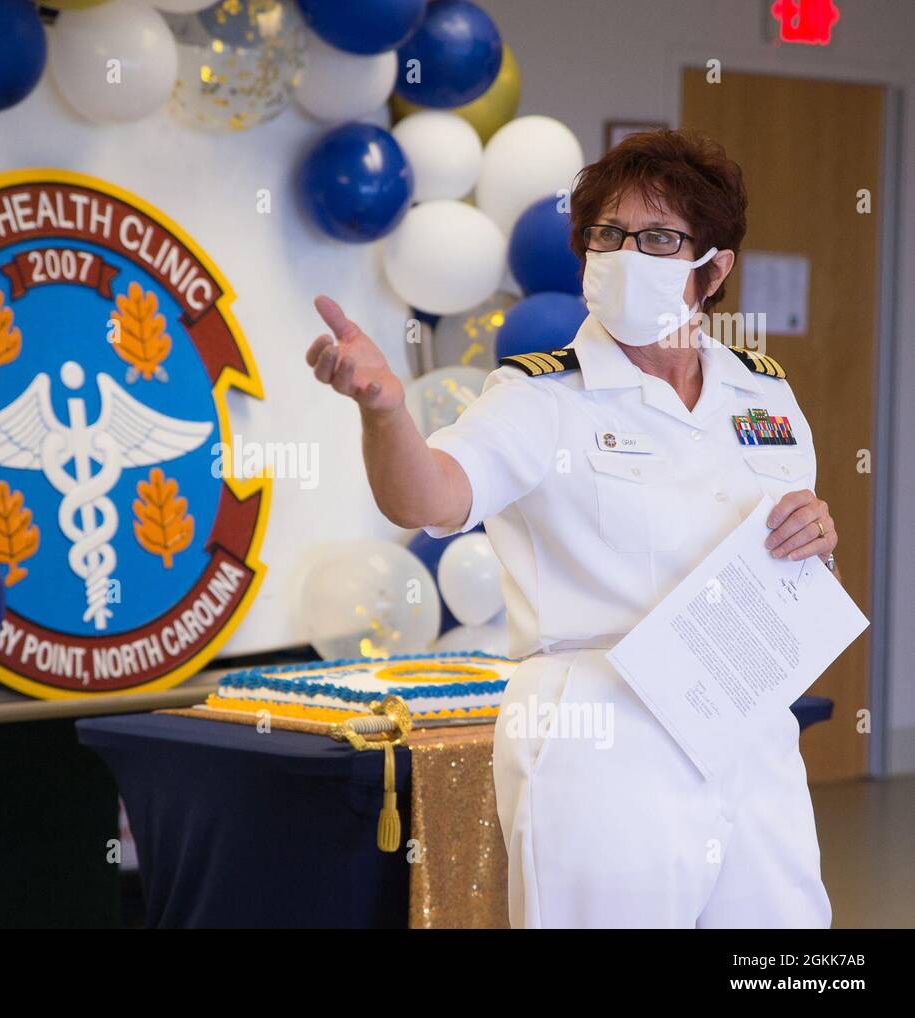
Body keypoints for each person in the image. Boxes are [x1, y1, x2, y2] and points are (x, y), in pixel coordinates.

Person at [304, 129, 836, 929]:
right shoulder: (543, 397)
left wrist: (815, 533)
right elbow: (432, 499)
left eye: (659, 238)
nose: (627, 255)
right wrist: (384, 412)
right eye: (607, 235)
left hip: (747, 728)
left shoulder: (763, 395)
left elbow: (787, 556)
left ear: (715, 268)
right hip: (600, 730)